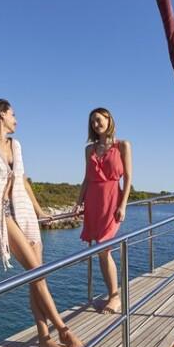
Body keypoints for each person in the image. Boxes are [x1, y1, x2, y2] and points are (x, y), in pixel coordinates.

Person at [0, 100, 83, 347]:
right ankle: (62, 328)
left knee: (37, 277)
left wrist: (39, 211)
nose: (16, 119)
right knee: (37, 273)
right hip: (2, 213)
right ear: (2, 114)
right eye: (13, 114)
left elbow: (22, 180)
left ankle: (43, 337)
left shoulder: (16, 145)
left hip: (24, 211)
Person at [75, 107, 132, 313]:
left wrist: (123, 204)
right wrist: (78, 202)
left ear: (109, 120)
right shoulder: (89, 149)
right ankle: (112, 294)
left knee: (102, 247)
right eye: (92, 122)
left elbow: (128, 179)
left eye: (98, 120)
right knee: (101, 250)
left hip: (112, 200)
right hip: (93, 201)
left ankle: (114, 297)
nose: (95, 124)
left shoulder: (123, 145)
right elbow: (87, 178)